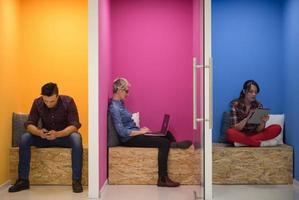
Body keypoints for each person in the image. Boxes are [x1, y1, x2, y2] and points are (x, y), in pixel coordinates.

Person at [108, 78, 192, 187]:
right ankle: (162, 179)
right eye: (126, 91)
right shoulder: (114, 107)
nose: (128, 94)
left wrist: (140, 130)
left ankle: (173, 147)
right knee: (164, 142)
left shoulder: (120, 104)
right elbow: (122, 132)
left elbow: (127, 124)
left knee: (167, 134)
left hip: (135, 134)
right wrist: (140, 132)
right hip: (129, 139)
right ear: (119, 90)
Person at [8, 83, 83, 193]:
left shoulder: (68, 101)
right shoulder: (37, 102)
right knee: (25, 138)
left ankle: (76, 181)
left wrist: (57, 134)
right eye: (45, 101)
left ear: (57, 96)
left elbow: (75, 126)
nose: (48, 104)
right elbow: (29, 124)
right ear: (42, 96)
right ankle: (23, 180)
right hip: (44, 138)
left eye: (52, 101)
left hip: (63, 137)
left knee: (76, 138)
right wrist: (39, 132)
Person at [226, 80, 281, 147]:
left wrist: (263, 122)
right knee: (229, 133)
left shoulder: (258, 105)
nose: (254, 94)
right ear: (244, 91)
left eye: (255, 92)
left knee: (277, 128)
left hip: (254, 134)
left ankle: (243, 143)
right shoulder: (235, 105)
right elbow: (236, 128)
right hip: (240, 134)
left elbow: (258, 130)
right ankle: (259, 143)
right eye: (251, 92)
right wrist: (248, 117)